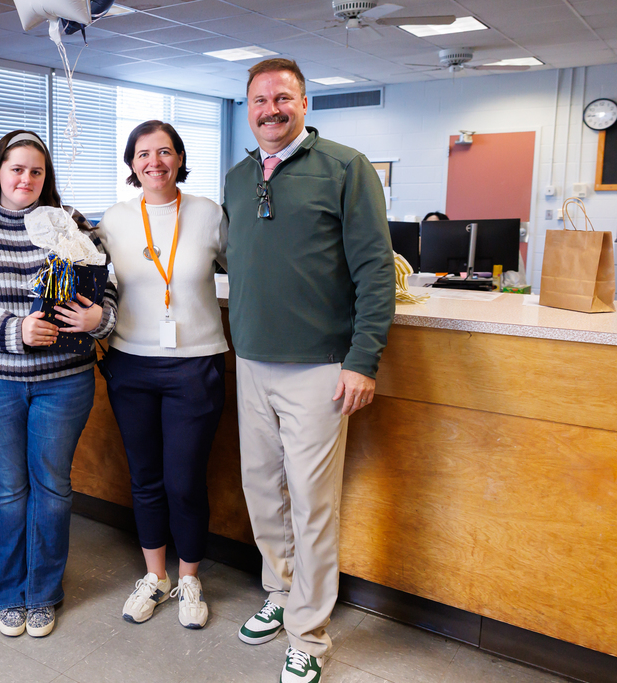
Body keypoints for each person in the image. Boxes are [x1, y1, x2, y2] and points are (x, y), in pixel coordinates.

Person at [223, 58, 395, 683]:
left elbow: (376, 271)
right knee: (263, 494)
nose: (270, 108)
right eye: (259, 99)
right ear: (247, 107)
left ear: (304, 102)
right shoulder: (240, 177)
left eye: (283, 97)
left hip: (321, 370)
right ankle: (280, 591)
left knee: (313, 507)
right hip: (252, 364)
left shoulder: (346, 168)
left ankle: (310, 634)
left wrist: (362, 358)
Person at [0, 130, 117, 638]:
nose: (26, 179)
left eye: (36, 171)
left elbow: (106, 286)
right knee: (6, 490)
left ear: (47, 178)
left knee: (52, 487)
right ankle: (8, 593)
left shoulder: (72, 226)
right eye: (16, 168)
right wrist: (15, 331)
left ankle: (43, 592)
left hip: (63, 382)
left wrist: (97, 320)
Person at [97, 120, 227, 630]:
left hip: (195, 365)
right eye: (143, 153)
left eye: (165, 152)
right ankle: (156, 576)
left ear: (179, 158)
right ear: (132, 163)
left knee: (185, 480)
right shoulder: (115, 219)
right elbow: (95, 282)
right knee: (146, 478)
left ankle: (190, 577)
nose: (155, 162)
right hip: (129, 362)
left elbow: (248, 269)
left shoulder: (209, 215)